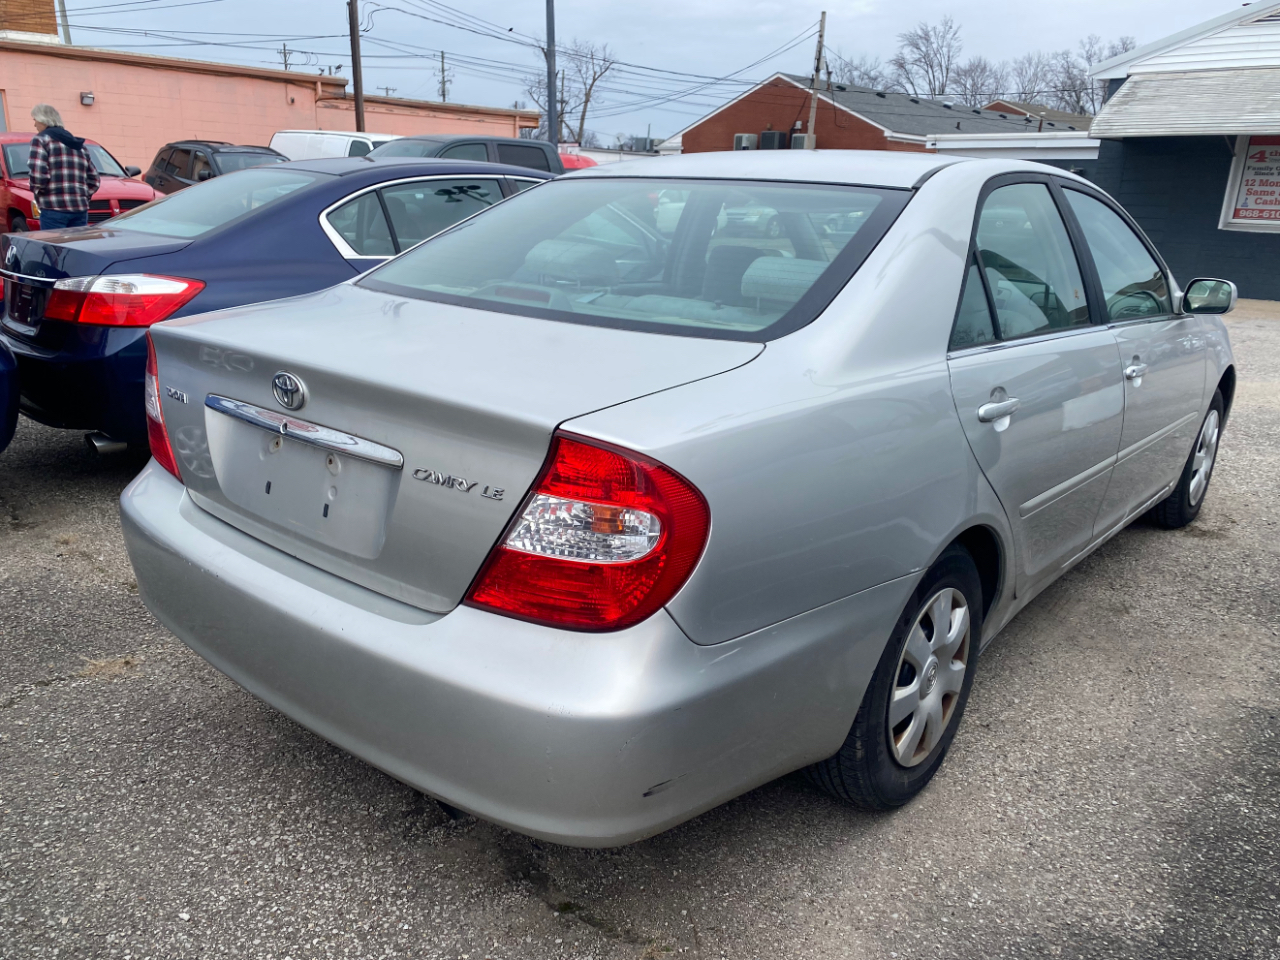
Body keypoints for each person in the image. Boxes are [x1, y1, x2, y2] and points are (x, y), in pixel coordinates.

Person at [27, 103, 99, 230]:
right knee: (77, 247)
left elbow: (38, 177)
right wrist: (81, 195)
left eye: (35, 120)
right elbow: (94, 179)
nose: (34, 125)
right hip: (79, 209)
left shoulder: (40, 140)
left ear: (44, 120)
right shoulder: (79, 145)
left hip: (53, 208)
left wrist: (41, 193)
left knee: (52, 249)